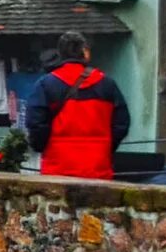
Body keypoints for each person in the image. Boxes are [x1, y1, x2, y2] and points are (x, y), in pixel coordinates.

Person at [18, 32, 129, 180]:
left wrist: (41, 146)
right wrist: (105, 146)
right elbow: (121, 123)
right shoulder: (107, 84)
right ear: (84, 53)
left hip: (57, 167)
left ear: (61, 54)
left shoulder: (46, 84)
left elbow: (36, 123)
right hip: (97, 167)